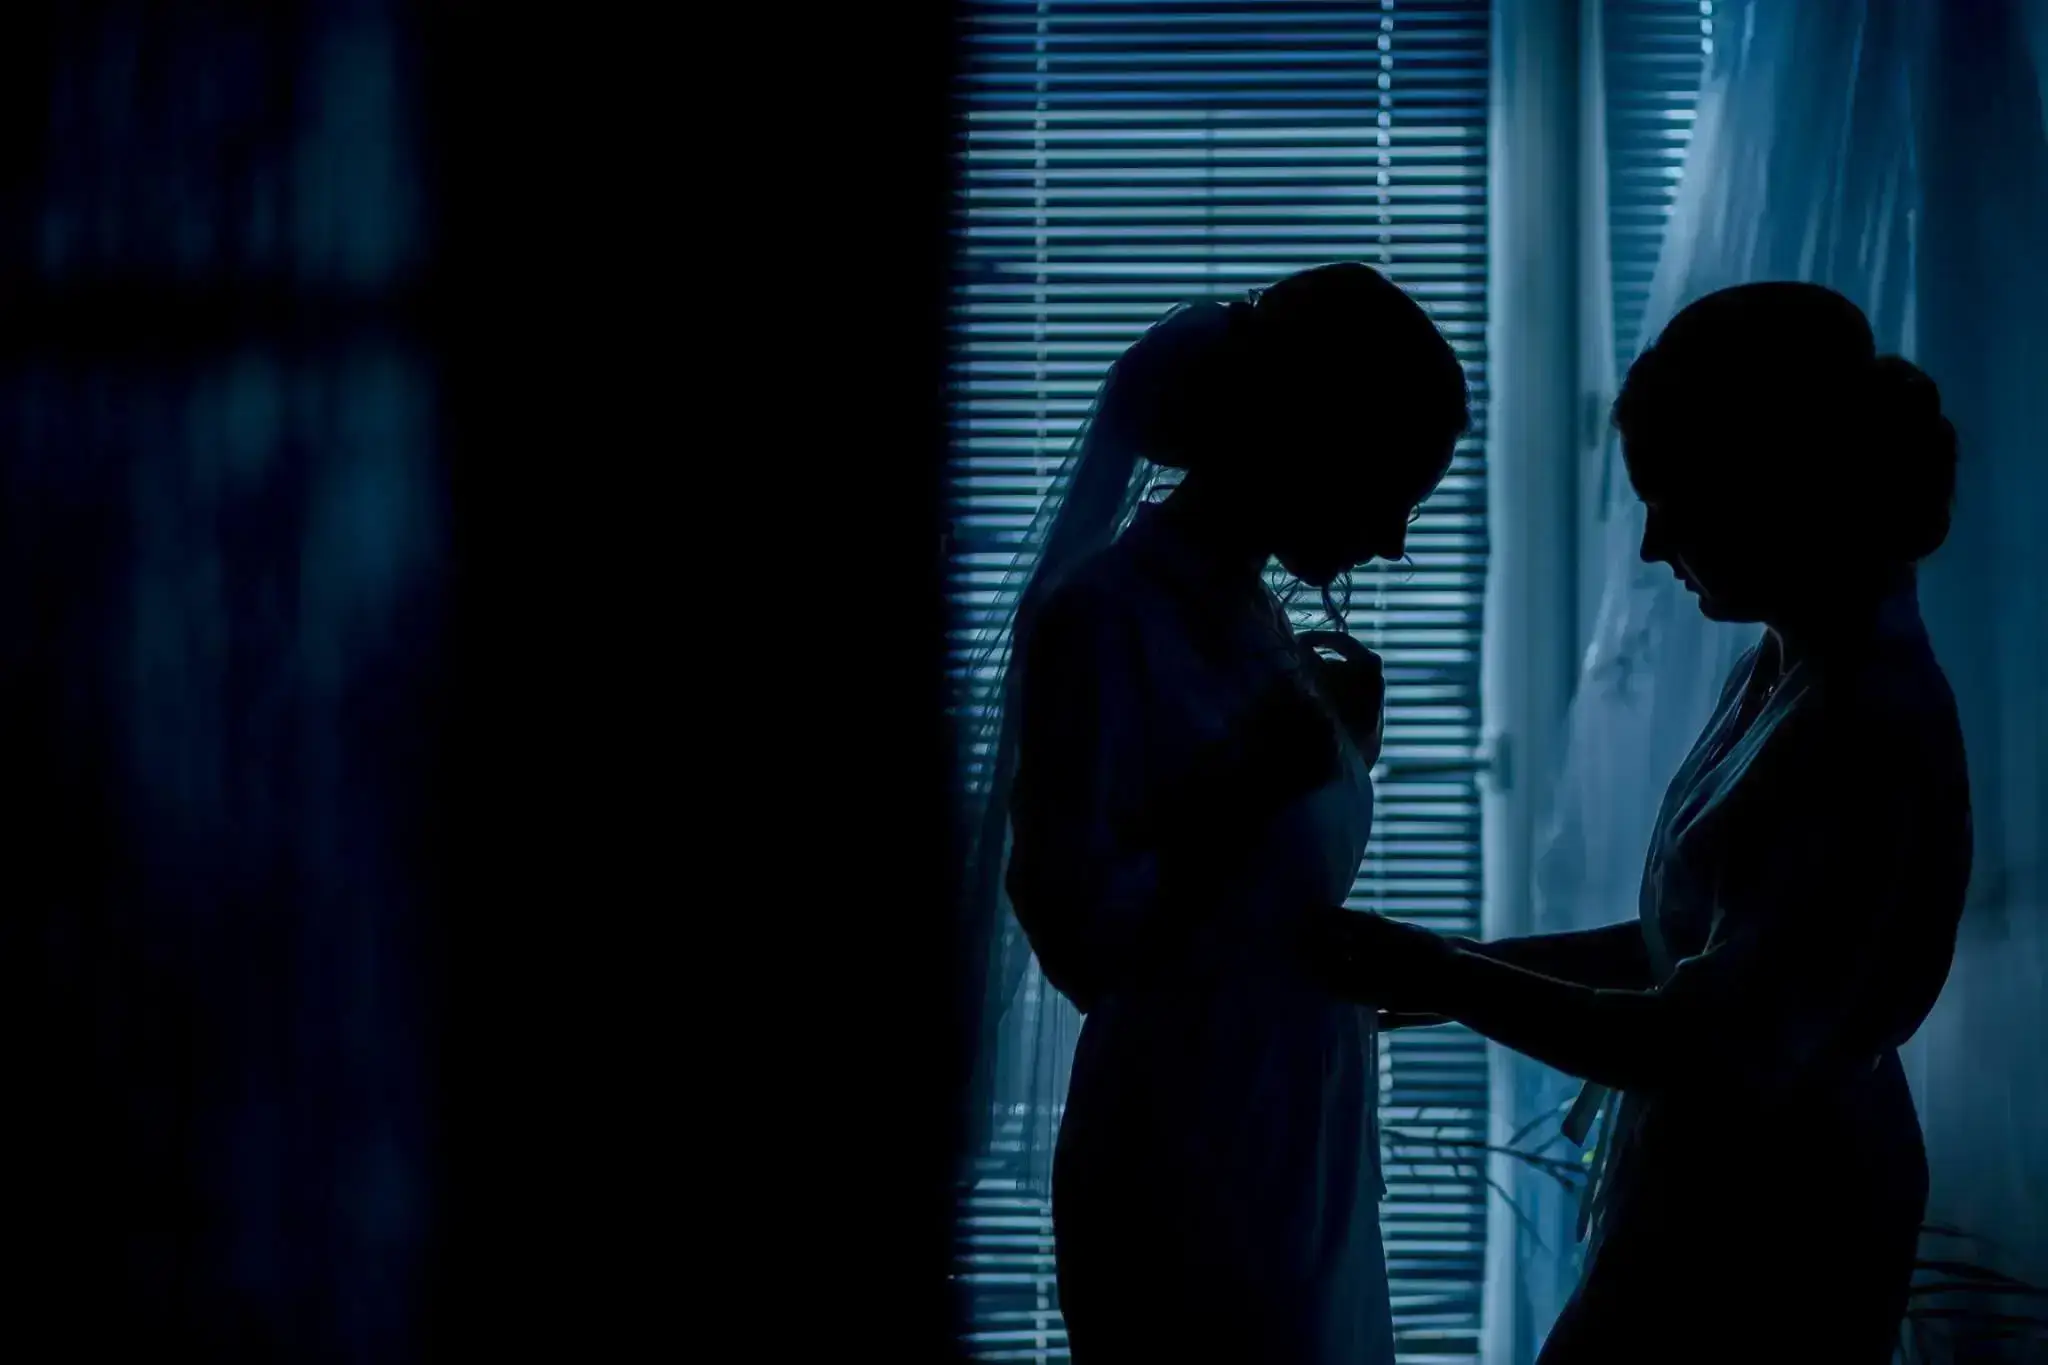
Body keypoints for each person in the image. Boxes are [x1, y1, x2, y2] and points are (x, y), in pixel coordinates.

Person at [1305, 282, 1971, 1362]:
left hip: (1780, 1217)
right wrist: (1442, 967)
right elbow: (1679, 948)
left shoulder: (1865, 723)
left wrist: (1445, 975)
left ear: (1770, 484)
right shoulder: (1780, 665)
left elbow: (1697, 1036)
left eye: (1670, 497)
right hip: (1717, 1172)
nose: (1654, 544)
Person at [989, 263, 1469, 1362]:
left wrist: (1342, 754)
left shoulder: (1263, 626)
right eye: (1393, 489)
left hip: (1301, 1136)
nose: (1394, 540)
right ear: (1315, 442)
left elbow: (1266, 901)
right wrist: (1245, 788)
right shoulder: (1099, 619)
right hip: (1186, 1155)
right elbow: (1077, 936)